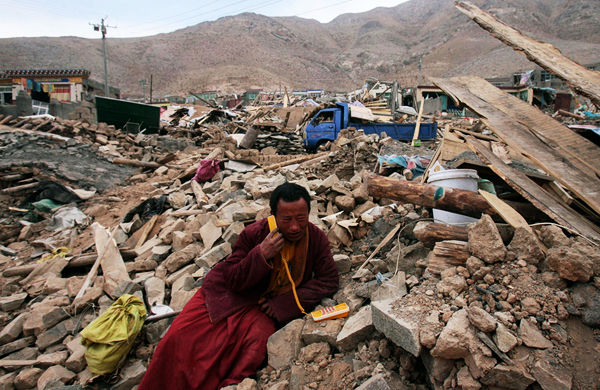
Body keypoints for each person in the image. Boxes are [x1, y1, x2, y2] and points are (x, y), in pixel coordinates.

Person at [139, 182, 339, 390]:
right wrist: (261, 254)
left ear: (309, 212)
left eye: (301, 218)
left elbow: (329, 279)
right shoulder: (255, 233)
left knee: (253, 348)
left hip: (264, 309)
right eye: (286, 220)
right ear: (273, 215)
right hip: (226, 297)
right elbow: (232, 279)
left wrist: (283, 305)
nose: (295, 227)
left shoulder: (315, 238)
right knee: (179, 338)